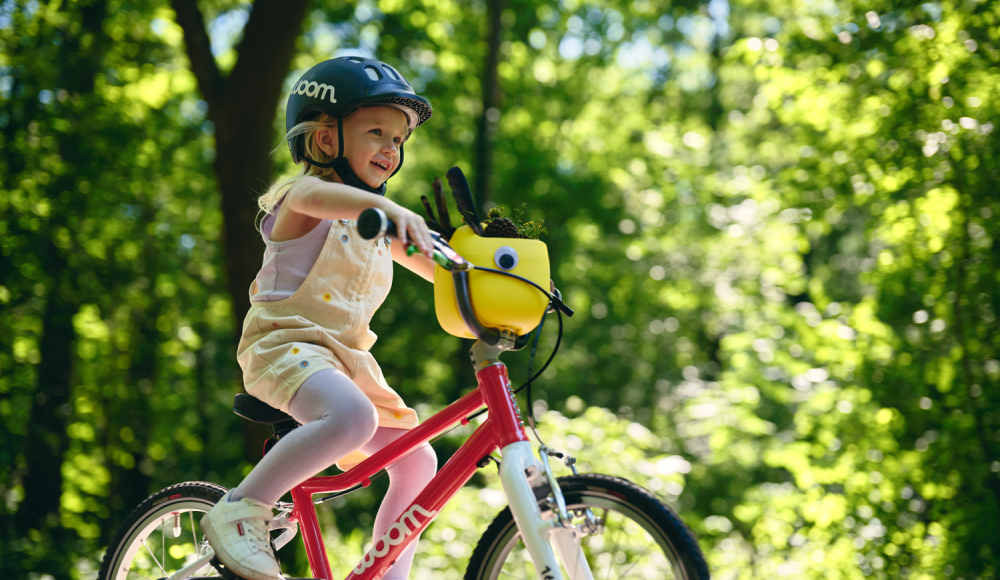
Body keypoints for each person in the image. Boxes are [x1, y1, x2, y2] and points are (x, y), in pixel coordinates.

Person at [200, 56, 439, 580]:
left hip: (346, 366)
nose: (390, 148)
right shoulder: (302, 197)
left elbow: (445, 272)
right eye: (376, 131)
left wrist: (495, 279)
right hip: (283, 348)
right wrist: (394, 213)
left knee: (419, 460)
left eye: (398, 140)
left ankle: (387, 574)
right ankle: (242, 509)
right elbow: (321, 196)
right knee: (355, 419)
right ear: (326, 140)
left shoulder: (375, 222)